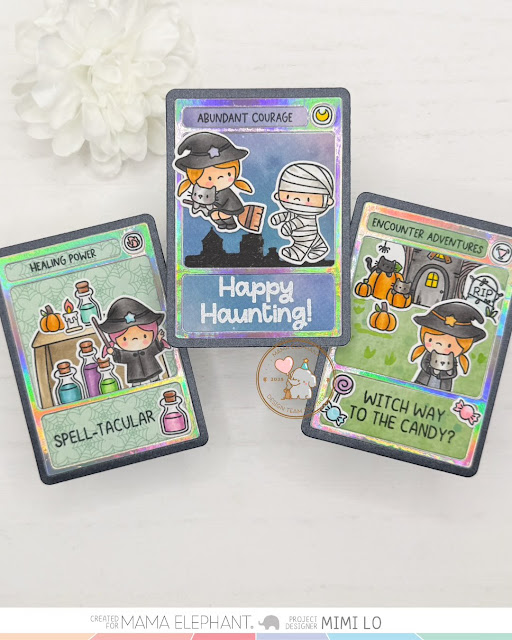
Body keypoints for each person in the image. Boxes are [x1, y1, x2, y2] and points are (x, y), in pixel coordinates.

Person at [174, 131, 253, 232]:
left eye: (229, 174)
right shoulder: (203, 191)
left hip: (228, 205)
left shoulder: (226, 192)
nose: (220, 178)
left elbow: (228, 202)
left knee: (223, 214)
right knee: (215, 215)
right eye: (210, 178)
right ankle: (222, 224)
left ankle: (230, 224)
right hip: (215, 208)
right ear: (194, 177)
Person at [410, 301, 486, 391]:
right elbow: (424, 363)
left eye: (449, 346)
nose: (439, 346)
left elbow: (454, 372)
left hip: (443, 387)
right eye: (430, 340)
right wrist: (432, 370)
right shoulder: (429, 354)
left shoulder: (451, 357)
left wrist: (448, 372)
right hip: (423, 381)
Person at [269, 162, 334, 264]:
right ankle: (320, 247)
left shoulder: (307, 218)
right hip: (309, 234)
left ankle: (296, 254)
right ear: (278, 195)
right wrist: (279, 217)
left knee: (303, 244)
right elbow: (289, 215)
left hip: (306, 236)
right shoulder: (295, 212)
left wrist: (288, 227)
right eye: (288, 196)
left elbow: (298, 222)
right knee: (316, 240)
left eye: (308, 199)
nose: (297, 200)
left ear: (327, 201)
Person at [98, 297, 170, 387]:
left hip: (152, 369)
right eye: (124, 339)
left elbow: (156, 348)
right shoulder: (127, 355)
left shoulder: (150, 348)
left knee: (156, 381)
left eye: (144, 336)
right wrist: (113, 352)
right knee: (136, 385)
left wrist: (158, 339)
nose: (135, 340)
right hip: (135, 374)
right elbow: (120, 357)